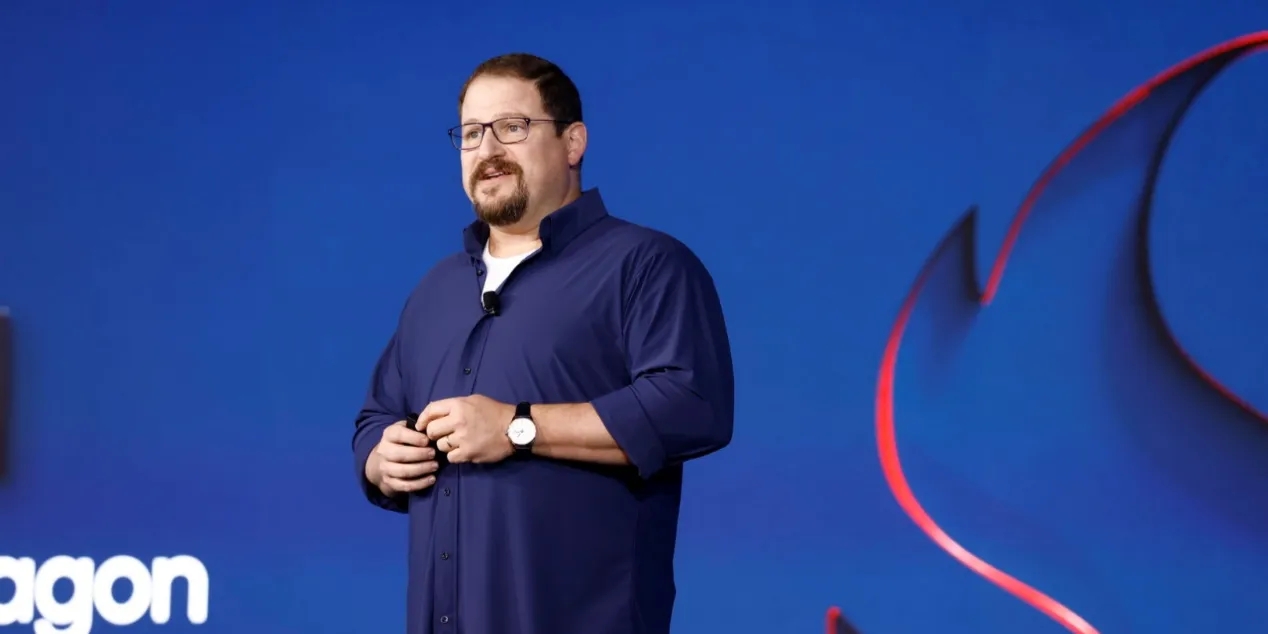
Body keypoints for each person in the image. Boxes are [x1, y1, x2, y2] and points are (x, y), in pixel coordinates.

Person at [351, 52, 735, 634]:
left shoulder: (645, 265)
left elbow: (691, 405)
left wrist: (516, 428)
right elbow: (376, 417)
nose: (487, 150)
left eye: (512, 127)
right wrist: (381, 459)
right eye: (471, 134)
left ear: (572, 142)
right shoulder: (436, 291)